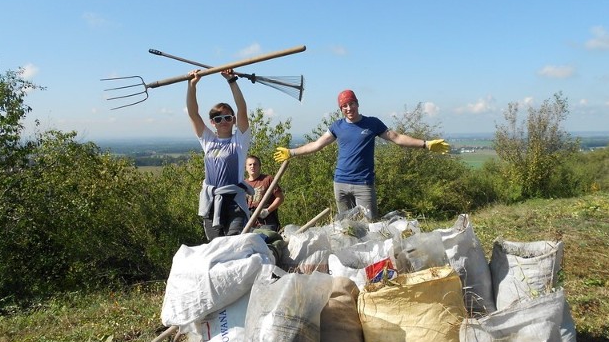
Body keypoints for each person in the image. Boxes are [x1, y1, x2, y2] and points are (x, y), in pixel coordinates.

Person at [274, 89, 450, 220]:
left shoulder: (372, 123)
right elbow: (317, 145)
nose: (349, 108)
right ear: (341, 109)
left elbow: (396, 138)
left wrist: (425, 144)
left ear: (357, 104)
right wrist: (291, 152)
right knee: (346, 227)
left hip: (363, 184)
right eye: (344, 106)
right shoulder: (337, 126)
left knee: (370, 226)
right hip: (340, 183)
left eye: (351, 104)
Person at [187, 68, 253, 242]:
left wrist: (232, 81)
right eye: (218, 119)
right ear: (212, 123)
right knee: (215, 246)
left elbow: (242, 109)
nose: (223, 121)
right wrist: (192, 85)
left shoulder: (239, 141)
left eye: (227, 117)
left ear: (233, 120)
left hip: (234, 201)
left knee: (234, 244)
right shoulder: (208, 140)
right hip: (211, 202)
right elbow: (193, 114)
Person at [245, 155, 285, 232]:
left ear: (259, 166)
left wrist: (267, 211)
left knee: (265, 239)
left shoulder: (268, 179)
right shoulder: (244, 184)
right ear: (246, 168)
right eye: (250, 164)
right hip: (250, 223)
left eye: (255, 164)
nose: (252, 166)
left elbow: (280, 198)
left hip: (267, 222)